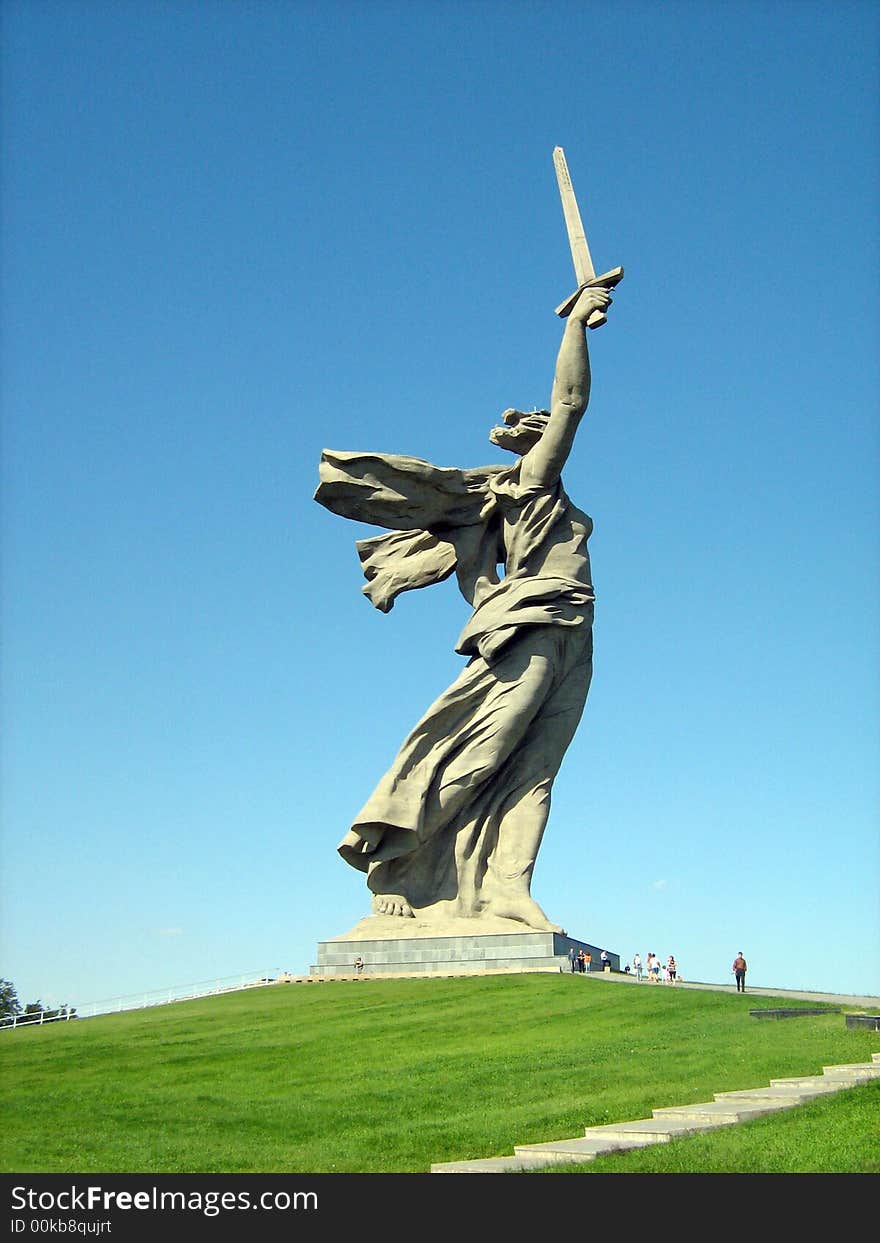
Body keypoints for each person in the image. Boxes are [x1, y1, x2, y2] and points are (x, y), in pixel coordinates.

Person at [316, 286, 614, 928]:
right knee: (481, 752)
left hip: (574, 628)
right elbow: (572, 402)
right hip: (533, 625)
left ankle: (508, 886)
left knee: (535, 772)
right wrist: (577, 327)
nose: (551, 438)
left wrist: (493, 602)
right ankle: (396, 862)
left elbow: (477, 587)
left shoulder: (537, 502)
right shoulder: (530, 485)